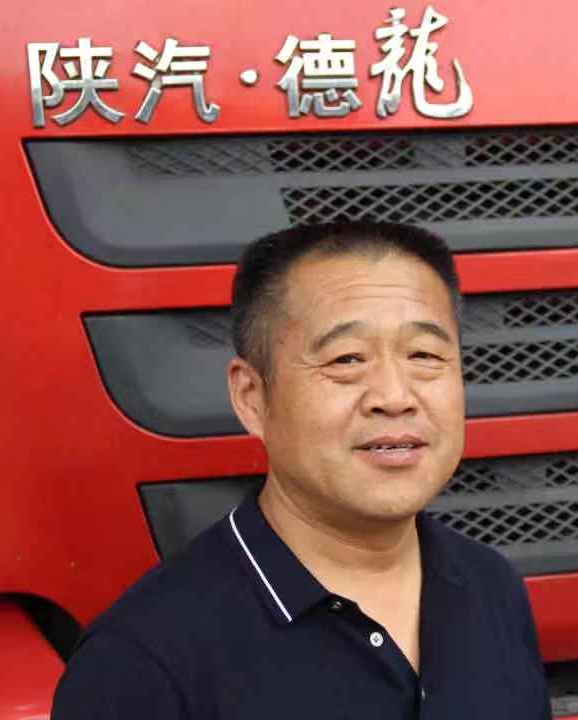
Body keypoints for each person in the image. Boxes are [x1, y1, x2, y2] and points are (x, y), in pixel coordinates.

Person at [51, 221, 552, 719]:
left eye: (423, 354)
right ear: (252, 397)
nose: (394, 396)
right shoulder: (142, 664)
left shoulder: (490, 586)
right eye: (347, 359)